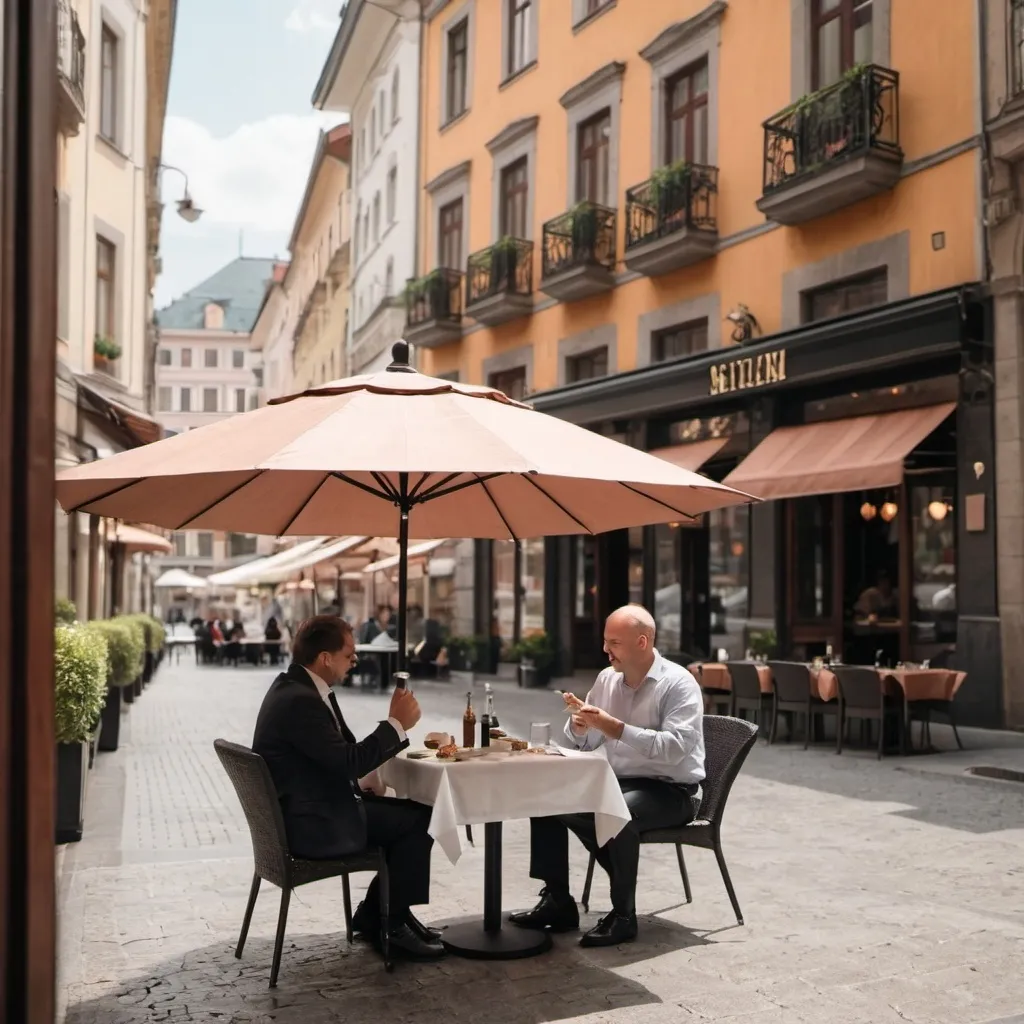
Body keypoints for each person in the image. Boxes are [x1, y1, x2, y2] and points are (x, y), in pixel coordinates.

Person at [509, 604, 705, 947]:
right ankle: (558, 901)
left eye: (613, 642)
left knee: (615, 813)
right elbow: (587, 741)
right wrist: (581, 724)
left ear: (642, 642)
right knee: (545, 797)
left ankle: (624, 916)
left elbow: (676, 749)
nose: (604, 650)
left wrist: (615, 727)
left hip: (673, 790)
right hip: (617, 782)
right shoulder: (606, 679)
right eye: (605, 641)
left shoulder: (679, 684)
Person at [252, 614, 444, 960]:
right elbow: (349, 761)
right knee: (424, 819)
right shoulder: (301, 701)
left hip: (313, 808)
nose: (355, 660)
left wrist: (364, 778)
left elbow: (339, 757)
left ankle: (378, 915)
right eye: (349, 654)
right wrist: (396, 724)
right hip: (316, 825)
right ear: (325, 658)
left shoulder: (299, 687)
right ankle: (391, 922)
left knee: (416, 813)